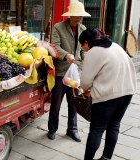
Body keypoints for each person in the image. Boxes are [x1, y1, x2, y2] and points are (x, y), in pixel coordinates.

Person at [79, 28, 137, 160]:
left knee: (97, 129)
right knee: (114, 126)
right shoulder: (116, 46)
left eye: (82, 46)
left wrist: (89, 90)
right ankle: (106, 158)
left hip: (108, 97)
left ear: (87, 42)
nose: (84, 49)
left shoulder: (94, 52)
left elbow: (84, 83)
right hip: (127, 92)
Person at [47, 1, 90, 142]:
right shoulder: (58, 27)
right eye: (76, 16)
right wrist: (66, 55)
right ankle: (52, 129)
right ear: (70, 15)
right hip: (61, 73)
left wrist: (86, 64)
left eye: (80, 16)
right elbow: (54, 47)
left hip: (75, 73)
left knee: (75, 104)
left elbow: (84, 51)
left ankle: (72, 130)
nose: (78, 19)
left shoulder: (83, 29)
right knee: (56, 104)